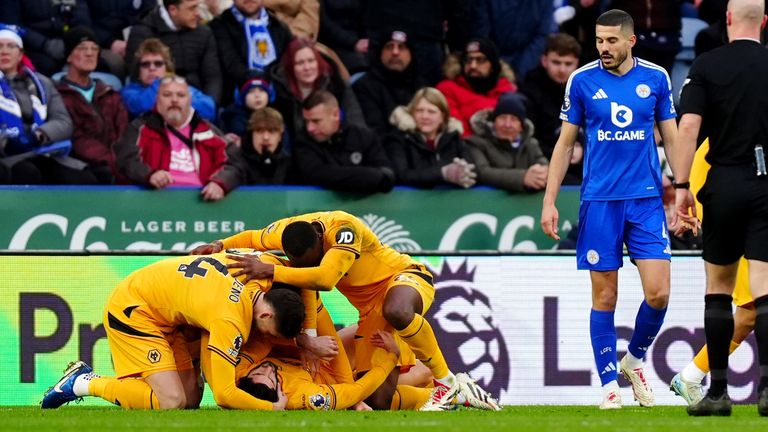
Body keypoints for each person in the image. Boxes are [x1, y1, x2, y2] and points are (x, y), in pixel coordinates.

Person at [189, 210, 501, 411]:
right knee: (379, 401)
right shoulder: (287, 231)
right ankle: (454, 395)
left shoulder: (342, 230)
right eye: (295, 263)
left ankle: (447, 381)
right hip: (369, 313)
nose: (303, 269)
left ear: (320, 246)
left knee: (398, 310)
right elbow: (254, 236)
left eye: (308, 261)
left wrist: (272, 271)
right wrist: (220, 243)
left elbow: (323, 279)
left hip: (402, 278)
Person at [540, 9, 680, 410]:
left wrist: (684, 191)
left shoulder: (656, 78)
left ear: (630, 40)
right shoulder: (581, 80)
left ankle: (633, 362)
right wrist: (549, 200)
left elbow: (671, 138)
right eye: (599, 41)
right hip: (599, 202)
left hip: (646, 200)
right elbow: (565, 145)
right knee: (605, 297)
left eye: (611, 41)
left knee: (659, 293)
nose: (604, 48)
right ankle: (608, 387)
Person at [40, 251, 305, 410]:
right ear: (267, 313)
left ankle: (145, 380)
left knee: (189, 400)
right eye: (270, 333)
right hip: (134, 310)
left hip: (165, 312)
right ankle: (83, 382)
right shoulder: (231, 319)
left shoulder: (252, 275)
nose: (266, 339)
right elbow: (224, 395)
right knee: (171, 402)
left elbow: (306, 279)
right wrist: (269, 407)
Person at [671, 0, 768, 416]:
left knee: (720, 291)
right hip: (766, 181)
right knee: (764, 291)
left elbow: (689, 127)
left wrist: (679, 186)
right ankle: (766, 392)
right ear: (765, 22)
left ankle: (718, 394)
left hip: (722, 180)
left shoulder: (707, 65)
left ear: (727, 19)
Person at [669, 139, 755, 406]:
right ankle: (691, 377)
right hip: (732, 204)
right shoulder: (742, 110)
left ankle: (691, 376)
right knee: (751, 309)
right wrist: (691, 202)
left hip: (744, 202)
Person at [114, 75, 241, 201]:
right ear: (157, 99)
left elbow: (235, 164)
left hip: (203, 203)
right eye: (167, 95)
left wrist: (220, 183)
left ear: (190, 100)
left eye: (181, 95)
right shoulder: (140, 128)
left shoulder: (207, 131)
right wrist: (149, 175)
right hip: (153, 203)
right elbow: (125, 159)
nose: (174, 100)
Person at [0, 24, 94, 185]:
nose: (4, 51)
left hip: (42, 150)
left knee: (84, 178)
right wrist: (8, 142)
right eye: (0, 46)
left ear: (20, 53)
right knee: (27, 173)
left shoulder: (42, 83)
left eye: (11, 46)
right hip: (6, 156)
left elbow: (63, 122)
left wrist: (39, 135)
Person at [56, 26, 129, 184]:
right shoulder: (57, 95)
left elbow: (124, 133)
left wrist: (122, 160)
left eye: (94, 48)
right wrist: (112, 160)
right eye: (82, 48)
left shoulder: (111, 94)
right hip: (80, 168)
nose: (89, 53)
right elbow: (75, 139)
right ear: (68, 56)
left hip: (115, 164)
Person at [292, 90, 394, 193]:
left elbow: (386, 174)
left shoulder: (363, 136)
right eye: (306, 121)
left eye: (316, 121)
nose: (310, 128)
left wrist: (376, 177)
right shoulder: (303, 142)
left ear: (336, 115)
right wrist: (370, 176)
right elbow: (318, 174)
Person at [268, 37, 365, 146]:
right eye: (300, 63)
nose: (307, 67)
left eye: (311, 61)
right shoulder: (279, 92)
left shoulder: (335, 81)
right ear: (291, 67)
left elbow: (354, 117)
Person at [126, 0, 222, 104]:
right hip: (156, 105)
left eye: (197, 7)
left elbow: (213, 77)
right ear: (173, 10)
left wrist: (210, 106)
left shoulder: (204, 32)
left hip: (198, 103)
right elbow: (137, 78)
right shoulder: (142, 33)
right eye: (192, 8)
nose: (198, 13)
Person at [521, 33, 584, 185]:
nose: (562, 69)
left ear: (577, 64)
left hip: (584, 165)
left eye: (568, 64)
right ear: (544, 61)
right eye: (556, 62)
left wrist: (583, 150)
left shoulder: (586, 89)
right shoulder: (530, 91)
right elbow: (529, 139)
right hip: (545, 166)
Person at [385, 87, 476, 189]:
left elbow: (472, 170)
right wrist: (443, 173)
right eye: (419, 110)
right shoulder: (398, 138)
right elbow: (401, 175)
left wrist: (463, 173)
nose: (425, 116)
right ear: (411, 113)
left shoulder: (454, 138)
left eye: (431, 112)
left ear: (443, 116)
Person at [210, 0, 293, 106]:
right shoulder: (219, 26)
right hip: (236, 105)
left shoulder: (279, 27)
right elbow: (231, 65)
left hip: (280, 101)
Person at [466, 92, 549, 193]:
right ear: (493, 122)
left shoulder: (531, 144)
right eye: (502, 118)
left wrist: (543, 174)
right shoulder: (476, 143)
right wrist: (522, 178)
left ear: (521, 127)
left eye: (514, 119)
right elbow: (482, 172)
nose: (507, 124)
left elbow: (542, 163)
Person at [436, 37, 516, 137]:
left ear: (493, 66)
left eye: (480, 60)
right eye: (468, 60)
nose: (473, 65)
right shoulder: (448, 89)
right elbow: (458, 131)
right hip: (467, 149)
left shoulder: (508, 90)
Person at [121, 38, 217, 122]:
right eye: (145, 64)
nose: (152, 68)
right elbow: (143, 106)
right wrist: (164, 85)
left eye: (158, 63)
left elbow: (209, 110)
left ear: (167, 68)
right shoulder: (128, 92)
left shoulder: (182, 86)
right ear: (139, 70)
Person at [352, 29, 426, 136]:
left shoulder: (422, 86)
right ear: (380, 53)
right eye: (389, 47)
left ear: (411, 54)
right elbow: (374, 132)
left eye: (401, 47)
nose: (395, 52)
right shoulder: (364, 86)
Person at [470, 0, 554, 80]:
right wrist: (496, 66)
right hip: (492, 65)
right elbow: (482, 34)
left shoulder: (544, 2)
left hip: (526, 70)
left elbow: (541, 36)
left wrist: (521, 71)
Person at [237, 107, 293, 185]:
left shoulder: (290, 164)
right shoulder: (237, 163)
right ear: (251, 135)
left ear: (280, 136)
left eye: (272, 131)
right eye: (259, 131)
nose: (265, 137)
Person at [220, 74, 276, 139]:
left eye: (262, 90)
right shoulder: (237, 122)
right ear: (241, 98)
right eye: (251, 92)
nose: (257, 95)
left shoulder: (275, 117)